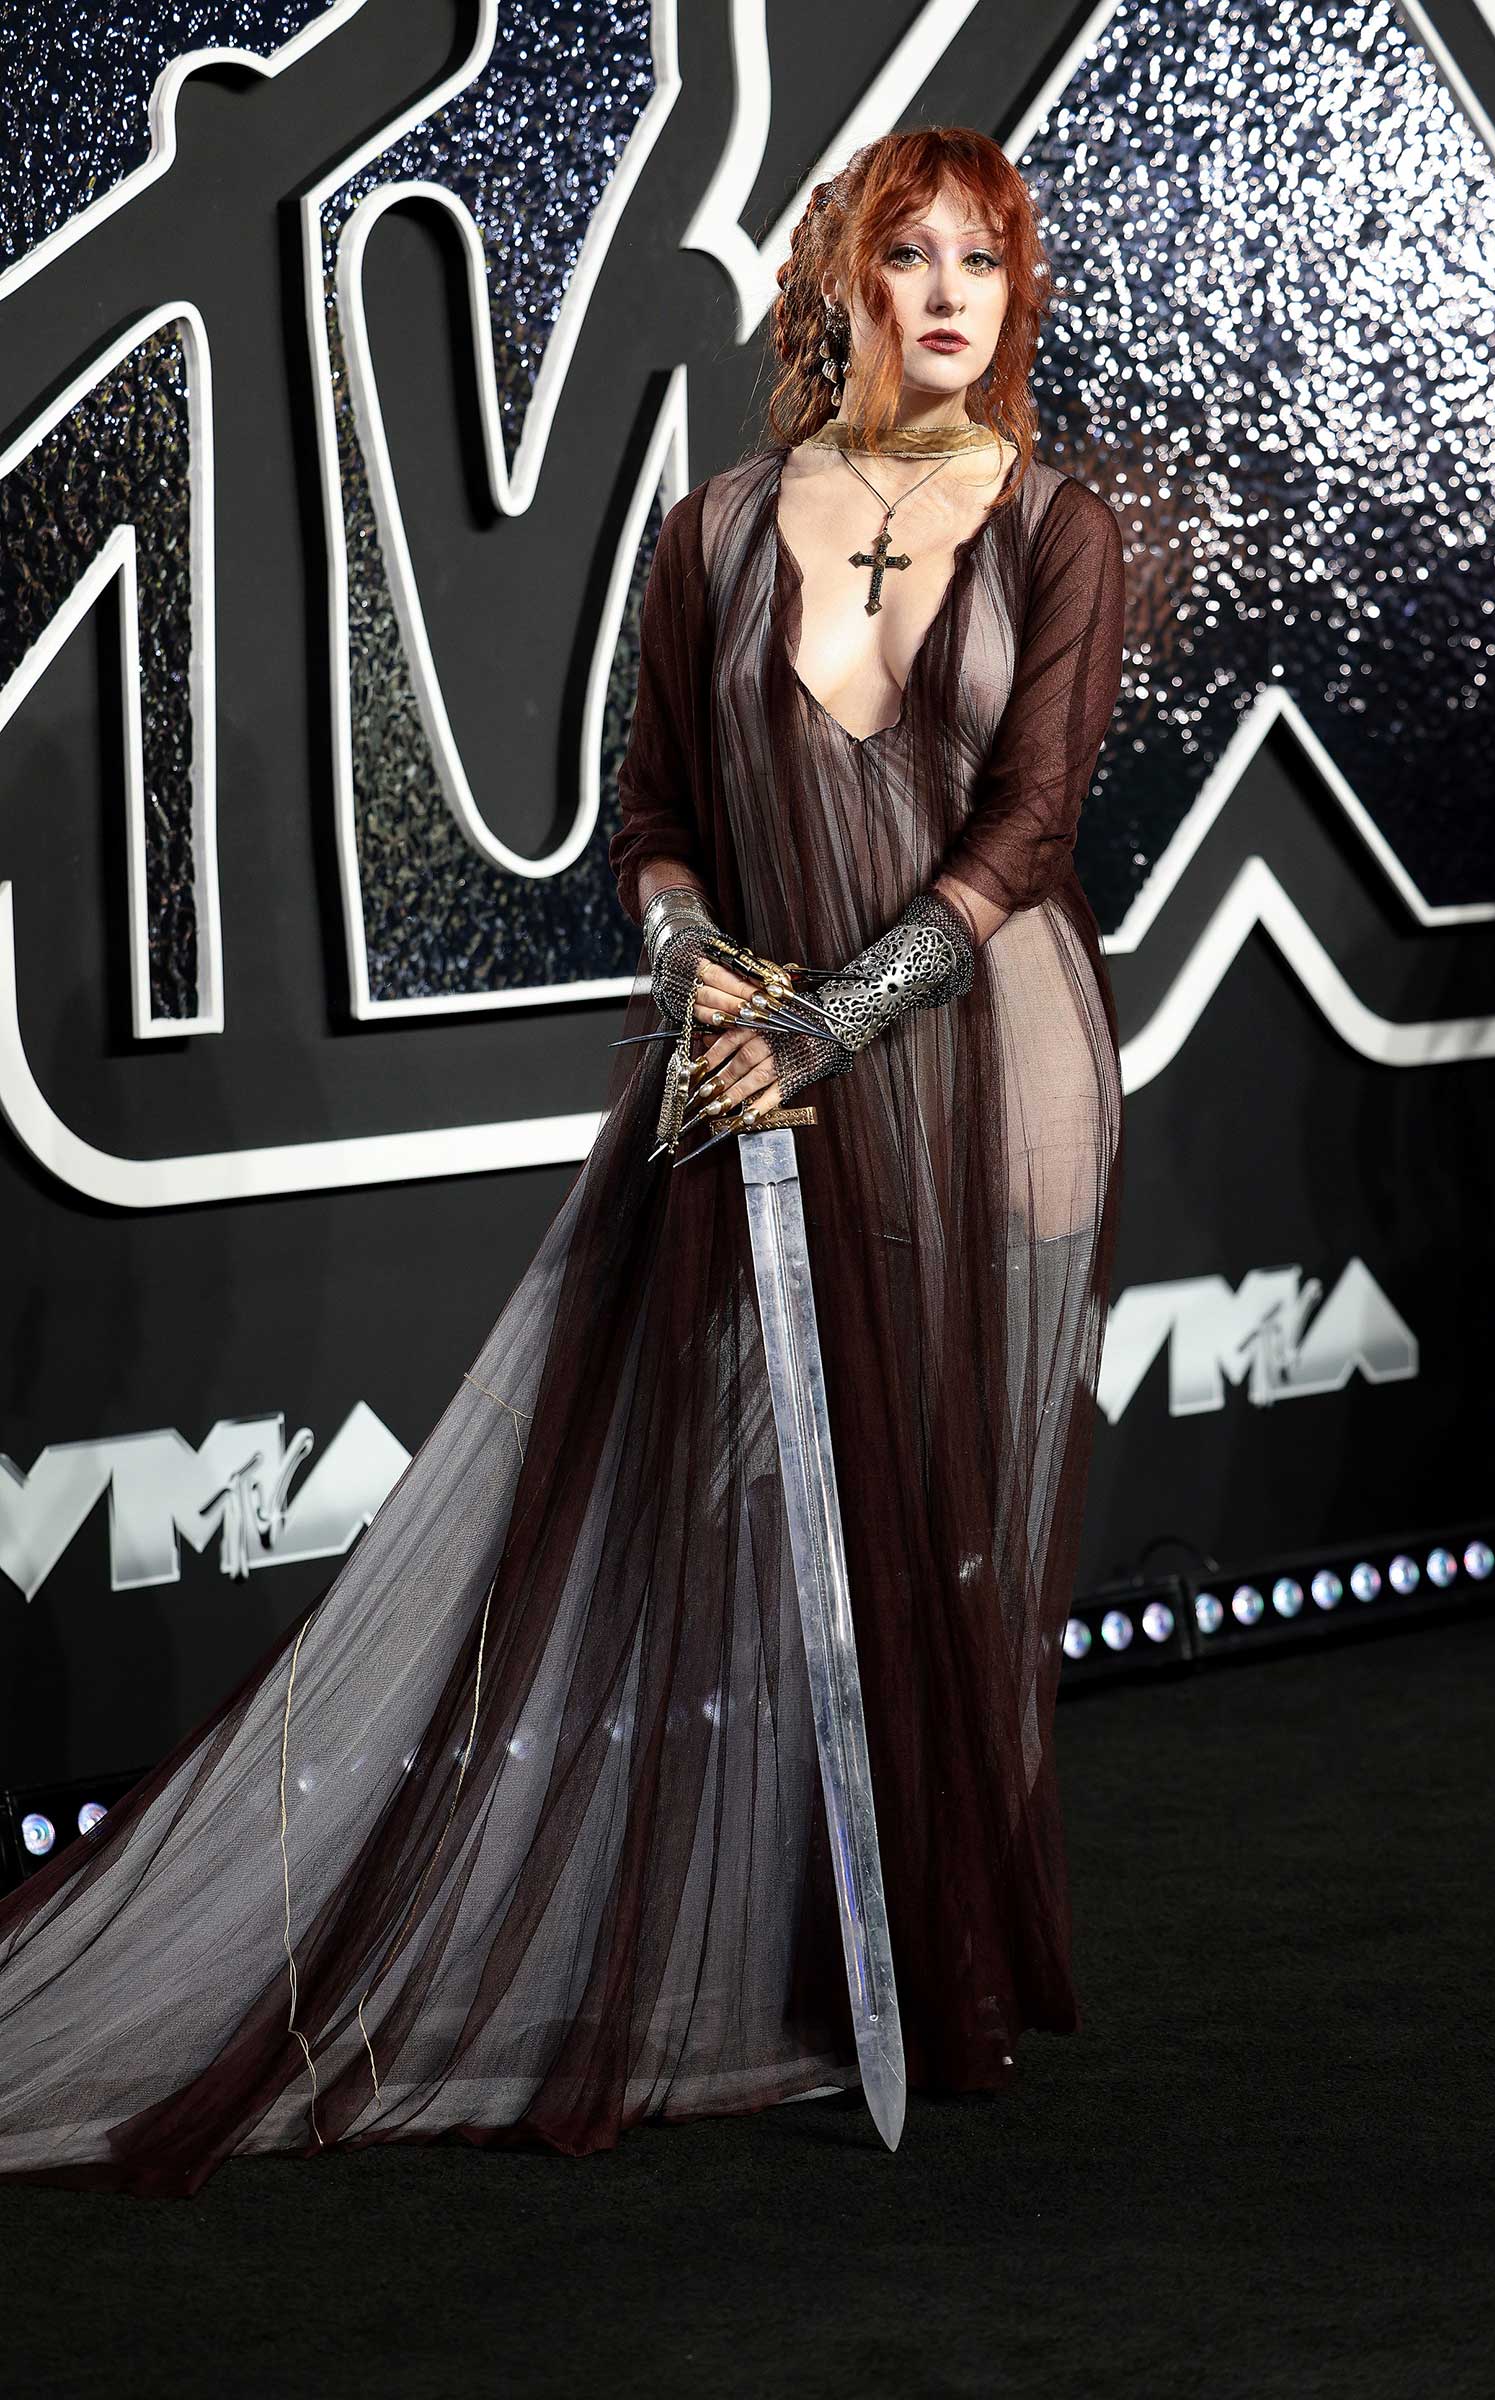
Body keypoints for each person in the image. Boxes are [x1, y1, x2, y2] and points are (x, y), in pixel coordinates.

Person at [0, 125, 1126, 2197]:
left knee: (943, 1521)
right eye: (911, 255)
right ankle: (794, 1952)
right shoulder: (714, 531)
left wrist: (825, 1026)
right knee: (757, 1507)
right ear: (844, 285)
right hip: (750, 1062)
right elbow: (657, 825)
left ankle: (936, 1969)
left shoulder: (1057, 528)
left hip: (987, 1060)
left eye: (984, 258)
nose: (952, 294)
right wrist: (706, 976)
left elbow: (1028, 827)